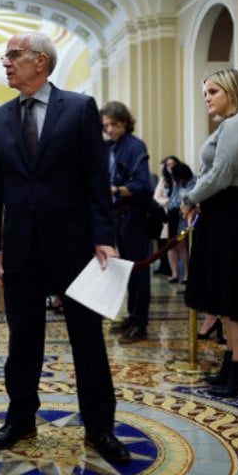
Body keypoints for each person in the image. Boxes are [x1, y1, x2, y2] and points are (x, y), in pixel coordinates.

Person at [0, 31, 129, 465]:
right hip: (20, 248)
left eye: (13, 56)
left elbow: (95, 180)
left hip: (75, 246)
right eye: (5, 56)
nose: (5, 63)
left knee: (88, 341)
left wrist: (104, 237)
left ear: (40, 61)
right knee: (22, 340)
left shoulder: (79, 108)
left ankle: (100, 426)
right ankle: (20, 417)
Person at [181, 68, 238, 397]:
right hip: (224, 212)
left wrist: (189, 198)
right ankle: (232, 363)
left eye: (213, 92)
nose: (207, 98)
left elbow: (222, 173)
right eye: (205, 93)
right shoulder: (229, 125)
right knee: (227, 295)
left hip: (236, 213)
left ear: (232, 91)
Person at [100, 101, 153, 343]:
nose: (109, 129)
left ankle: (140, 323)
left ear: (124, 122)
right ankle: (132, 317)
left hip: (134, 215)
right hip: (117, 216)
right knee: (126, 272)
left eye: (113, 124)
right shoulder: (110, 147)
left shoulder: (134, 146)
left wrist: (116, 189)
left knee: (139, 271)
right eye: (106, 125)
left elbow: (143, 186)